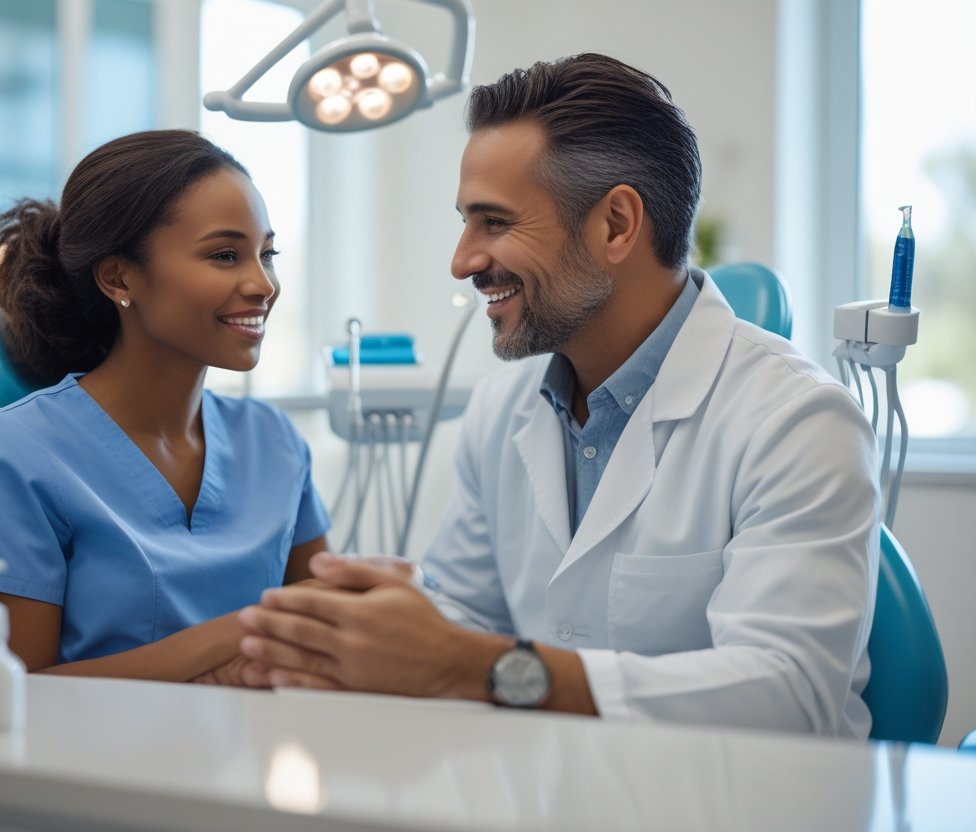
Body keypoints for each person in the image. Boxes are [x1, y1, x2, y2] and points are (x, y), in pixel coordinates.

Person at [235, 54, 881, 737]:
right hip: (550, 780)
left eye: (495, 223)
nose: (462, 260)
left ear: (616, 225)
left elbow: (787, 693)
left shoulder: (797, 420)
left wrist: (479, 666)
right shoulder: (501, 410)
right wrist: (405, 616)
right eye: (465, 223)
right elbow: (471, 618)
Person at [0, 130, 330, 684]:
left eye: (266, 254)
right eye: (225, 255)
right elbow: (16, 690)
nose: (263, 284)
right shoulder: (18, 451)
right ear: (118, 277)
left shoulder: (274, 441)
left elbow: (321, 631)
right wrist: (246, 632)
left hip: (261, 738)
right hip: (96, 742)